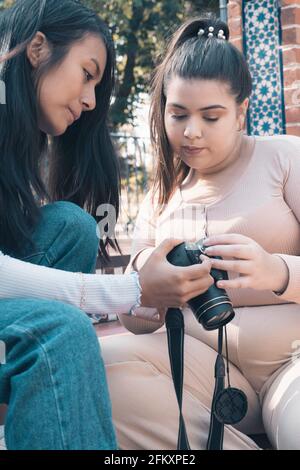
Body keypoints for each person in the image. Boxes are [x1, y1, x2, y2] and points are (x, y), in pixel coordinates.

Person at [0, 1, 213, 450]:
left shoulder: (17, 143)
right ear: (38, 48)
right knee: (60, 333)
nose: (91, 100)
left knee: (70, 225)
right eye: (87, 72)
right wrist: (133, 289)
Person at [101, 16, 300, 450]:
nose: (191, 132)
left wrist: (277, 271)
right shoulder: (161, 195)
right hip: (197, 368)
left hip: (293, 361)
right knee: (101, 367)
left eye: (211, 116)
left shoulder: (284, 158)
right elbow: (132, 323)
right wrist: (149, 290)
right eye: (178, 114)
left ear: (241, 110)